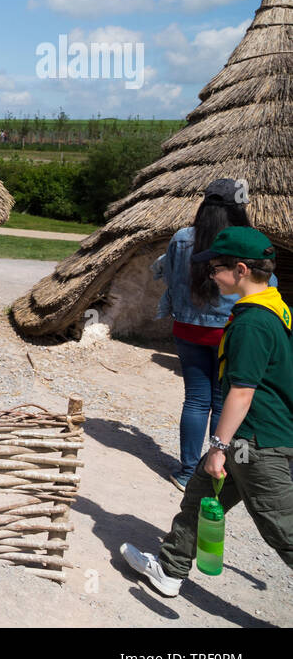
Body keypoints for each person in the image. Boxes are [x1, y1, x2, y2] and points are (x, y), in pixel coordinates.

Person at [122, 226, 293, 596]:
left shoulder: (252, 323)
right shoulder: (273, 304)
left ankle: (170, 566)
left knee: (282, 529)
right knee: (200, 496)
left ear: (242, 270)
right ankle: (170, 569)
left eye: (216, 268)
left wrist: (219, 447)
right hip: (248, 438)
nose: (211, 276)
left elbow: (243, 392)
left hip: (256, 443)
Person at [152, 179, 256, 489]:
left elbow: (169, 278)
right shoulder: (246, 243)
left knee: (195, 400)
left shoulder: (183, 238)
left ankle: (186, 472)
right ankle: (213, 467)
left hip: (188, 329)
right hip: (229, 332)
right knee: (222, 400)